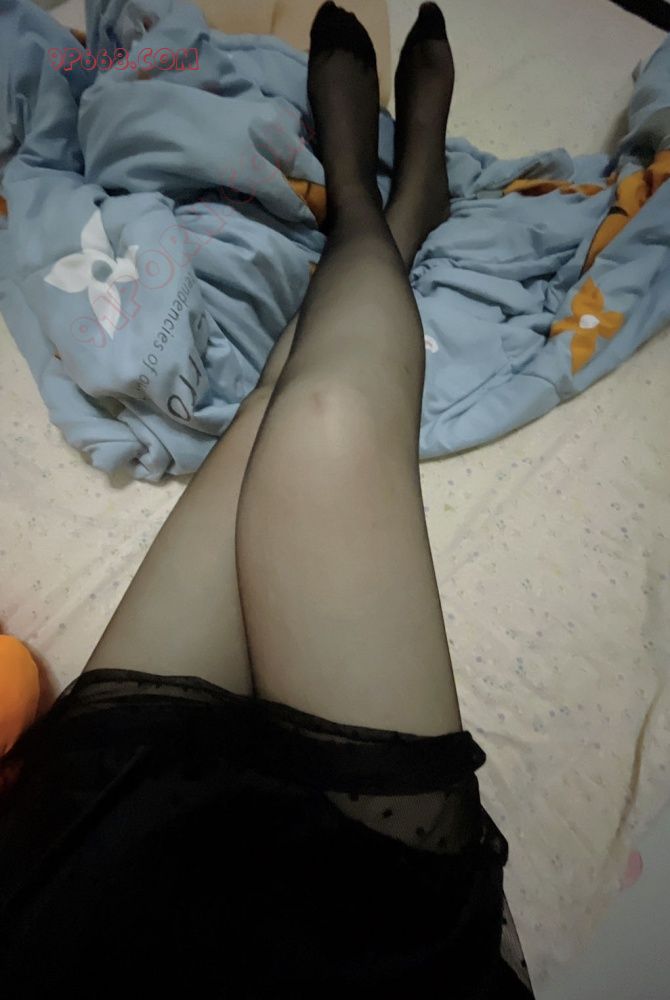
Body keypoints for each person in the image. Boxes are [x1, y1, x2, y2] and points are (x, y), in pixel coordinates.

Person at [0, 3, 535, 995]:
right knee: (322, 419)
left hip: (68, 898)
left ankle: (376, 207)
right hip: (356, 952)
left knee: (273, 419)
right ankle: (389, 207)